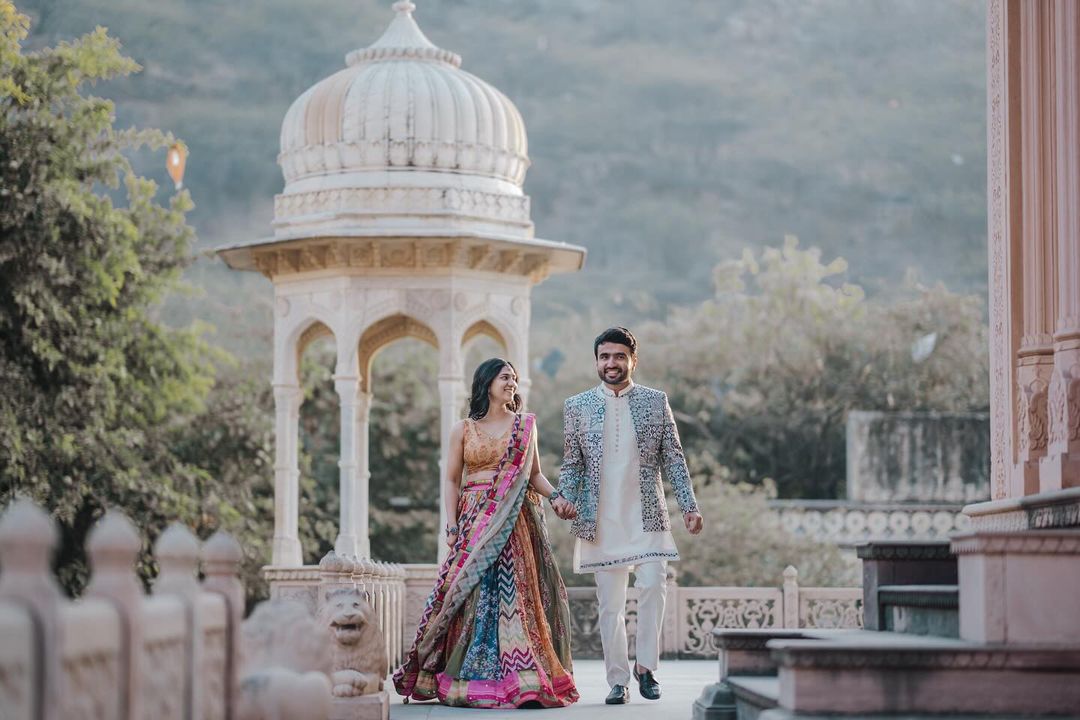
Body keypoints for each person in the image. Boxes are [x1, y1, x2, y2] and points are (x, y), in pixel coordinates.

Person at [393, 358, 580, 708]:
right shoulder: (463, 429)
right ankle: (471, 677)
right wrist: (451, 525)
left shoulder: (525, 426)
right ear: (487, 382)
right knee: (473, 594)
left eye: (514, 377)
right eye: (505, 376)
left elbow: (535, 474)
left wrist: (556, 497)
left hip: (514, 521)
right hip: (474, 521)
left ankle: (524, 677)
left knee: (516, 595)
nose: (512, 382)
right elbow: (451, 480)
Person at [550, 327, 704, 705]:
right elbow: (572, 463)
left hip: (647, 514)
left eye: (619, 356)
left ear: (633, 360)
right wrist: (563, 497)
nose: (611, 363)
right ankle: (618, 679)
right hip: (601, 519)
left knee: (654, 584)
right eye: (604, 357)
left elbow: (674, 458)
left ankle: (646, 668)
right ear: (597, 362)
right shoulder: (577, 405)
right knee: (610, 604)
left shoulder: (655, 401)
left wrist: (689, 505)